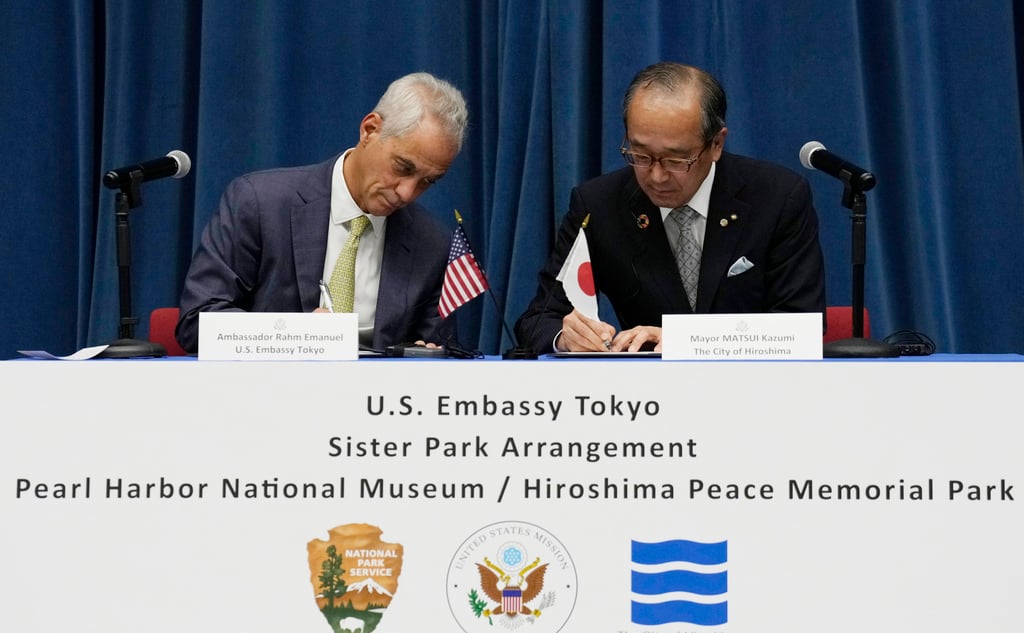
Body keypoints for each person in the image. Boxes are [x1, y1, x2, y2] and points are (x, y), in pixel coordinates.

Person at [514, 62, 826, 353]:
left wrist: (684, 340)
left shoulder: (776, 198)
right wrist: (566, 338)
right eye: (640, 155)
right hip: (644, 402)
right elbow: (538, 319)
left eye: (677, 160)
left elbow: (800, 327)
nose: (657, 176)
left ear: (716, 144)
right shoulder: (598, 205)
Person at [175, 72, 468, 354]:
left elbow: (437, 354)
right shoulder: (260, 204)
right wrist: (299, 337)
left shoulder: (432, 244)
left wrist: (427, 357)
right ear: (370, 130)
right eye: (403, 167)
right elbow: (198, 321)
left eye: (427, 182)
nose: (407, 193)